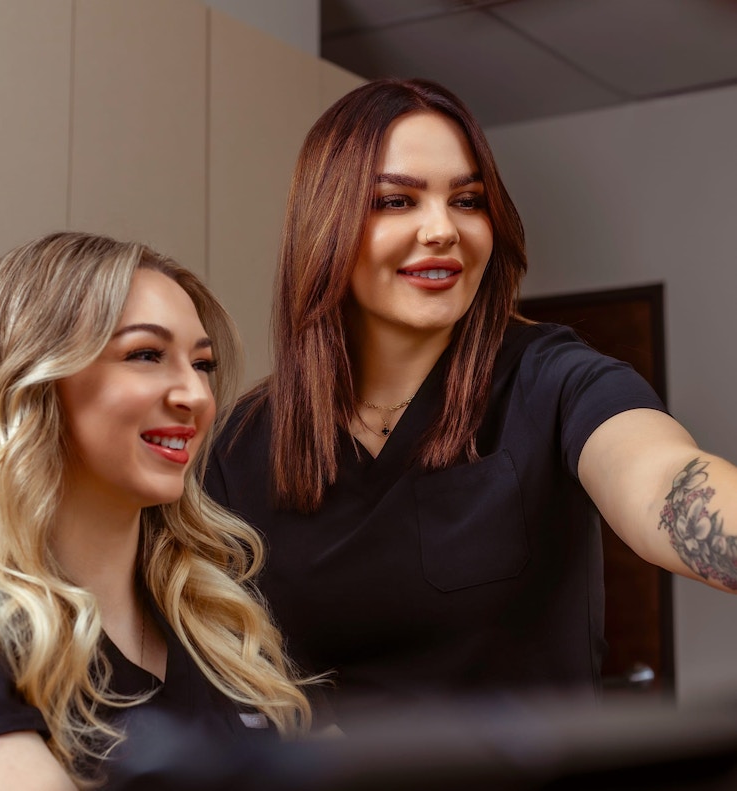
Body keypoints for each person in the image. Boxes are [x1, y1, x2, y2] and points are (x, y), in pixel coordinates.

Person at [205, 77, 737, 726]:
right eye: (396, 201)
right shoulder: (241, 446)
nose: (443, 230)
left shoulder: (552, 377)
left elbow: (662, 482)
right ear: (326, 225)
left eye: (467, 200)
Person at [0, 232, 311, 790]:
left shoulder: (227, 638)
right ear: (35, 381)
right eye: (145, 355)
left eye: (202, 364)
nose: (196, 396)